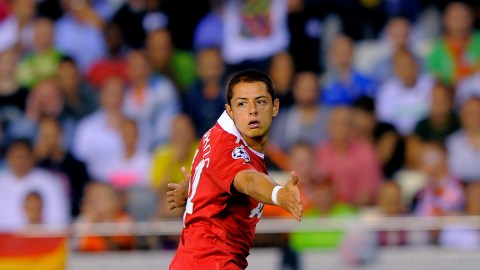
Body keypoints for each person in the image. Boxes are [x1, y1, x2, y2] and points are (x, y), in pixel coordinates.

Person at [167, 69, 302, 269]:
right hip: (212, 262)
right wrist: (278, 194)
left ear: (275, 107)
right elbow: (247, 180)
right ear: (229, 111)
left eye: (261, 101)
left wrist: (191, 188)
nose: (252, 110)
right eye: (242, 104)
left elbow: (214, 170)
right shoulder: (229, 147)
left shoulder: (216, 134)